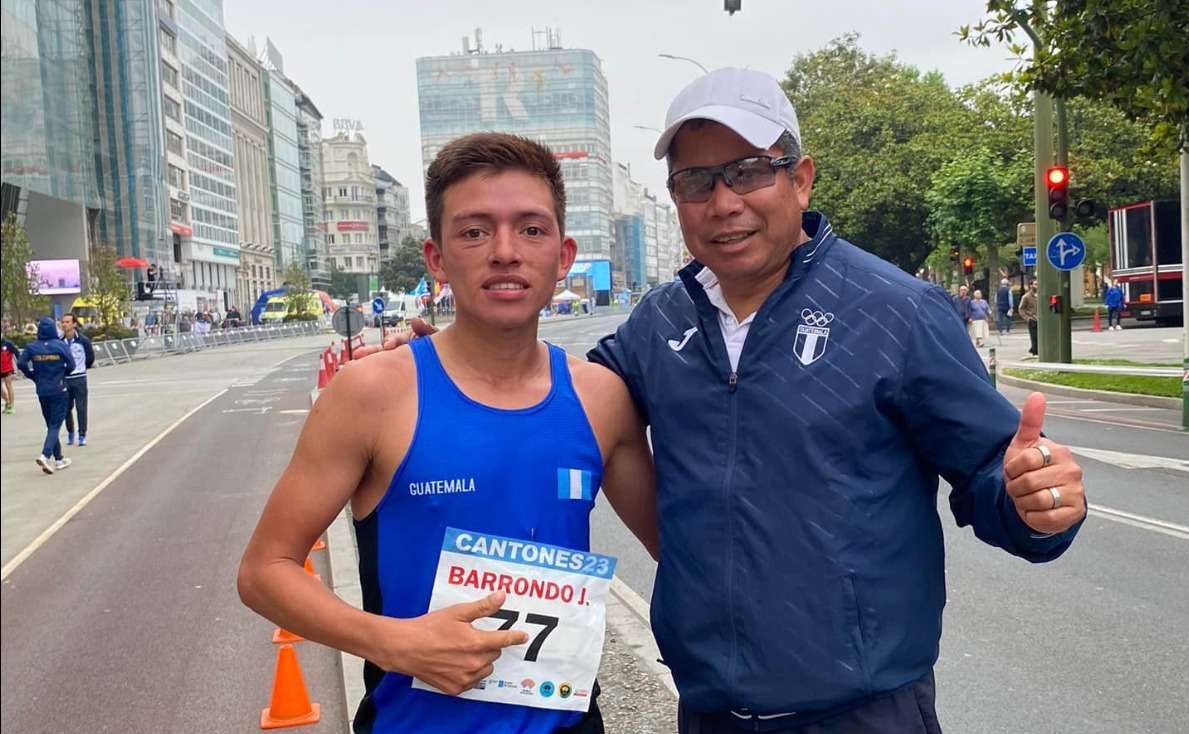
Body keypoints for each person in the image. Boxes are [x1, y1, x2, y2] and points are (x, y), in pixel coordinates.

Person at [370, 68, 1088, 733]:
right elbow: (556, 398)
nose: (725, 202)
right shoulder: (659, 326)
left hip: (864, 712)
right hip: (711, 710)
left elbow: (1000, 473)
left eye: (750, 171)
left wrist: (1033, 501)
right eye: (696, 181)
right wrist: (455, 360)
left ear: (800, 179)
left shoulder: (897, 313)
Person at [238, 132, 659, 734]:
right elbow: (264, 570)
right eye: (475, 231)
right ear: (436, 258)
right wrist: (393, 643)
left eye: (531, 229)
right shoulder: (370, 394)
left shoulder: (602, 397)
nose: (505, 251)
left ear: (563, 256)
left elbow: (681, 548)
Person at [17, 317, 74, 474]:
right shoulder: (61, 346)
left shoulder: (32, 347)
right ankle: (45, 455)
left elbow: (21, 363)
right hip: (59, 388)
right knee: (55, 425)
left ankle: (59, 458)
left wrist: (33, 375)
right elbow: (71, 365)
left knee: (50, 425)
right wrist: (62, 374)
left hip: (42, 389)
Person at [60, 314, 94, 445]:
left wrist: (82, 368)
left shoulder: (83, 340)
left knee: (81, 408)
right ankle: (70, 432)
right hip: (65, 379)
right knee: (66, 408)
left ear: (74, 324)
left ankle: (82, 435)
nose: (64, 325)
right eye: (63, 322)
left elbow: (90, 358)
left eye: (67, 322)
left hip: (79, 378)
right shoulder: (59, 341)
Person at [1020, 278, 1040, 357]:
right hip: (1033, 319)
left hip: (1041, 320)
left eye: (1038, 284)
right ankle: (1035, 352)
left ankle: (1035, 349)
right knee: (1034, 336)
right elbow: (1021, 308)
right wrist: (1027, 318)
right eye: (1035, 284)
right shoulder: (1026, 297)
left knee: (1041, 337)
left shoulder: (1041, 294)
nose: (1037, 286)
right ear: (1031, 285)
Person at [1, 332, 18, 415]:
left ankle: (11, 406)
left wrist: (20, 365)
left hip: (7, 368)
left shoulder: (8, 343)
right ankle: (7, 401)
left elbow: (17, 353)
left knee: (8, 385)